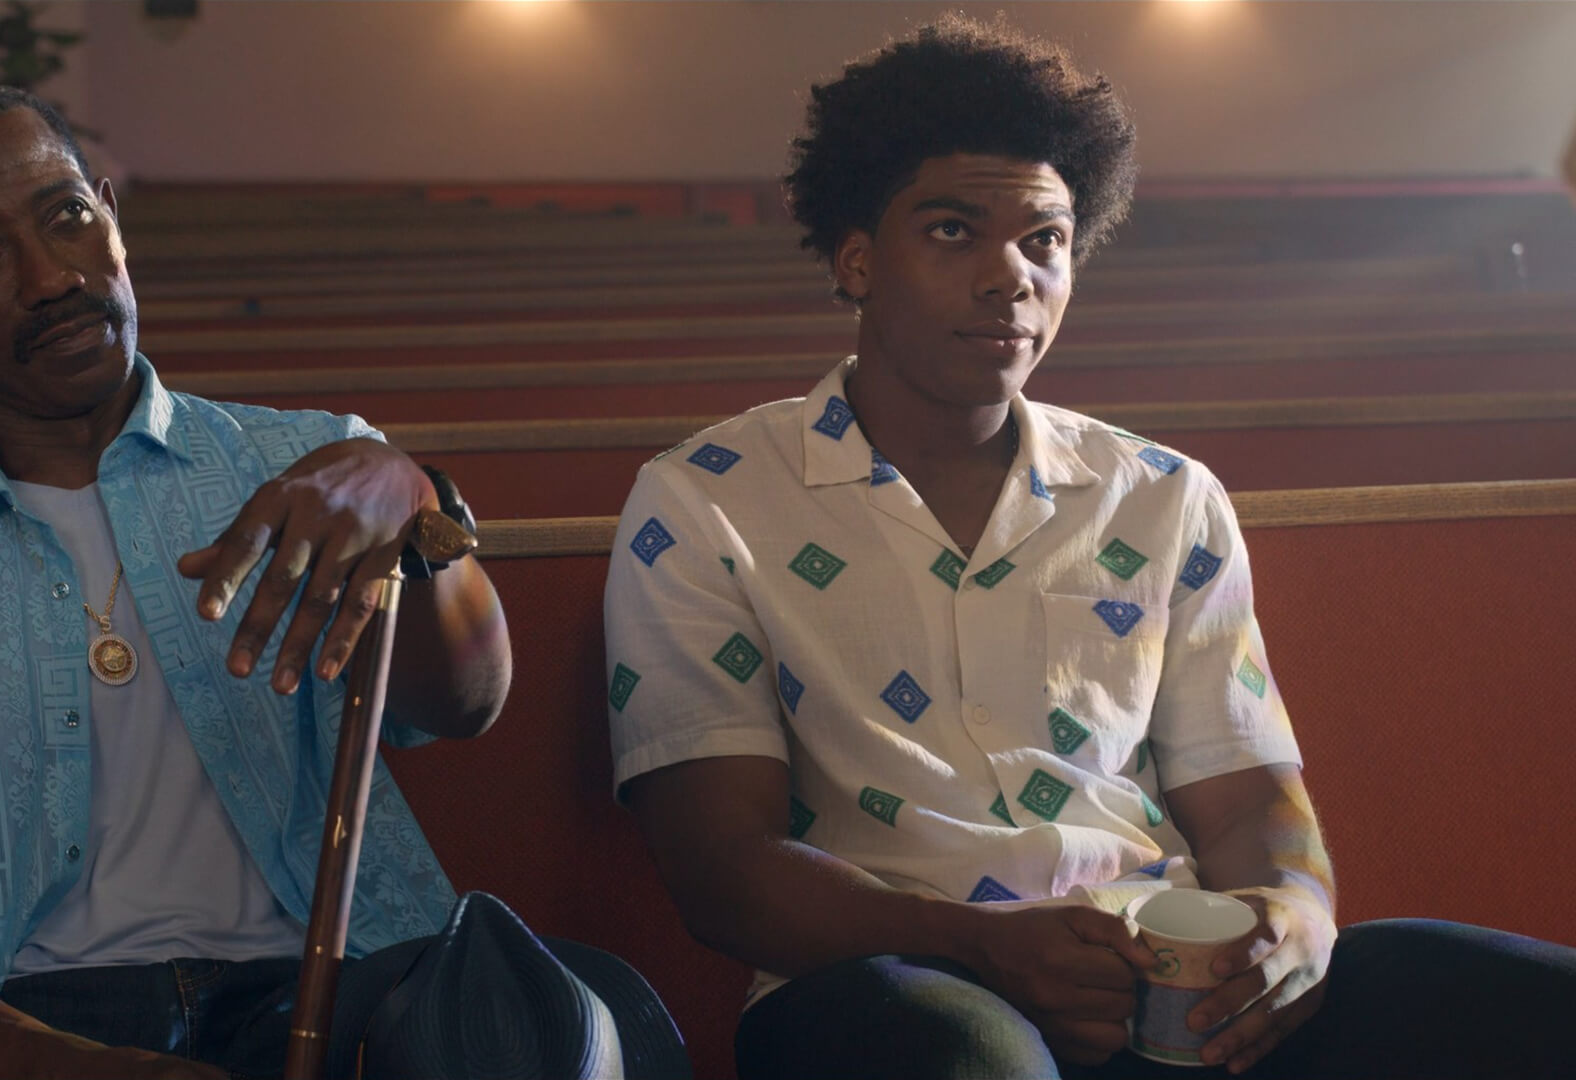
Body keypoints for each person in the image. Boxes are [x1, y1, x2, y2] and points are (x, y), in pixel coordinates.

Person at [601, 16, 1576, 1080]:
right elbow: (721, 868)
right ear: (857, 259)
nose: (1010, 277)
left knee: (1520, 1003)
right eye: (952, 230)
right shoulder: (706, 499)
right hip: (890, 982)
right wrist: (981, 946)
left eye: (1045, 241)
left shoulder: (1162, 495)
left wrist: (1295, 914)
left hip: (1160, 977)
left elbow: (1248, 795)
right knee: (971, 1053)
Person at [0, 82, 513, 1080]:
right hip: (21, 1024)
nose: (52, 276)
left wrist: (415, 500)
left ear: (110, 214)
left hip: (330, 992)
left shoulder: (311, 466)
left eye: (68, 216)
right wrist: (76, 1069)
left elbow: (468, 703)